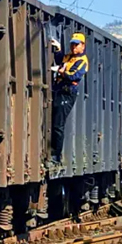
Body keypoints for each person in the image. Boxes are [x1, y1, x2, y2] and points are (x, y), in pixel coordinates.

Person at [49, 32, 89, 164]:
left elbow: (73, 75)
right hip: (59, 89)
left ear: (83, 46)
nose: (73, 47)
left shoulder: (82, 61)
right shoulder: (69, 57)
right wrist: (58, 49)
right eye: (72, 44)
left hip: (68, 92)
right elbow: (61, 60)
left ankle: (56, 155)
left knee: (58, 124)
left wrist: (61, 72)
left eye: (76, 45)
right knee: (52, 120)